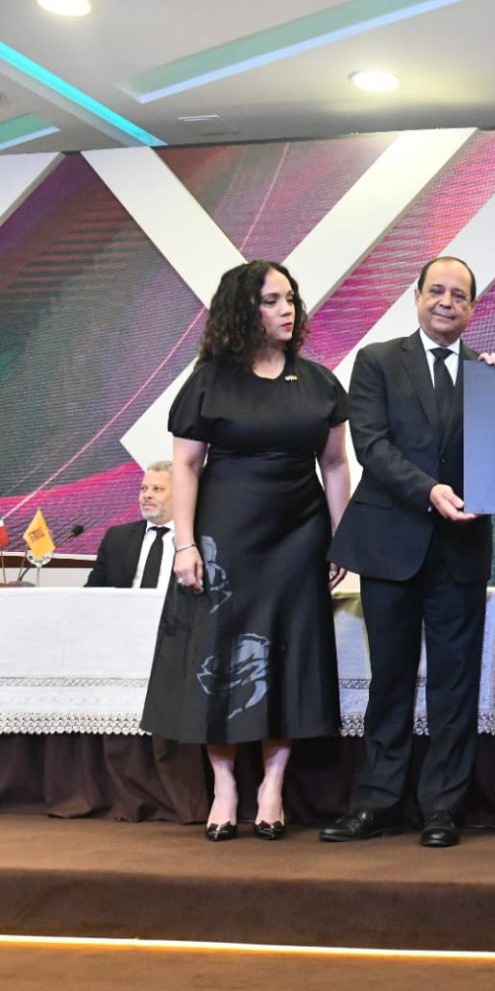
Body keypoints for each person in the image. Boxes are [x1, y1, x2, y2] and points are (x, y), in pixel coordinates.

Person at [140, 260, 351, 842]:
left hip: (299, 536)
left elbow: (334, 465)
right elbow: (185, 465)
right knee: (221, 657)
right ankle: (226, 783)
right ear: (244, 311)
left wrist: (342, 536)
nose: (288, 309)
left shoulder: (319, 382)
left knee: (288, 654)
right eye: (273, 300)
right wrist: (184, 545)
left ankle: (273, 788)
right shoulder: (209, 379)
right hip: (224, 540)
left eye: (291, 299)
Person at [323, 257, 495, 849]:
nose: (447, 302)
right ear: (416, 297)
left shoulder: (488, 373)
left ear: (473, 308)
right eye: (437, 291)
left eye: (459, 295)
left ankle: (443, 808)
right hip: (391, 545)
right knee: (389, 681)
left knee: (454, 685)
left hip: (462, 551)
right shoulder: (376, 361)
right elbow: (370, 444)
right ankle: (378, 803)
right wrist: (429, 491)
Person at [86, 460, 176, 589]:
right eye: (143, 489)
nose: (147, 495)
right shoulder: (117, 538)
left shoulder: (198, 539)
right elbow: (92, 591)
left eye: (157, 489)